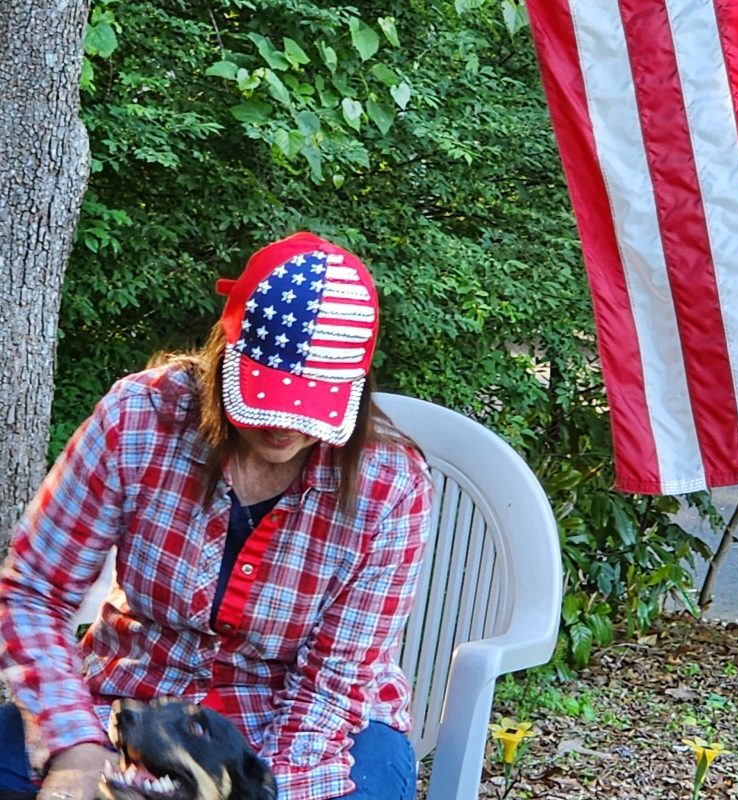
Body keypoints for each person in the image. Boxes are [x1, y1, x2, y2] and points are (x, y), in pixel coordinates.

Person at [0, 231, 433, 800]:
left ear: (354, 386)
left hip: (317, 725)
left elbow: (333, 683)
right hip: (134, 694)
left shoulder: (392, 487)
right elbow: (35, 589)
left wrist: (258, 791)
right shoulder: (138, 419)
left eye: (310, 405)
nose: (285, 426)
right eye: (267, 397)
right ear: (225, 355)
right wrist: (75, 751)